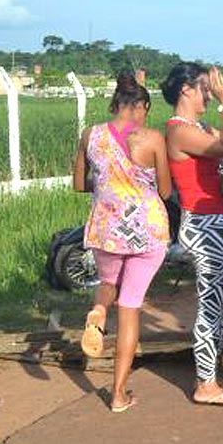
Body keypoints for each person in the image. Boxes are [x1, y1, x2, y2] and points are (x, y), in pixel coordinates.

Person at [73, 71, 171, 412]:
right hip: (148, 231)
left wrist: (108, 185)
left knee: (107, 283)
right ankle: (118, 394)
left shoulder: (91, 135)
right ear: (141, 106)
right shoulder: (153, 138)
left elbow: (79, 184)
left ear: (115, 103)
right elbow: (166, 190)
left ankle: (98, 312)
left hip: (106, 227)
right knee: (130, 308)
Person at [162, 63, 223, 406]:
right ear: (186, 89)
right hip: (203, 223)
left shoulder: (196, 127)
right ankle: (205, 383)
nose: (209, 94)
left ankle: (208, 365)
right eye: (204, 88)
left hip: (215, 220)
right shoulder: (179, 130)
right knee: (212, 303)